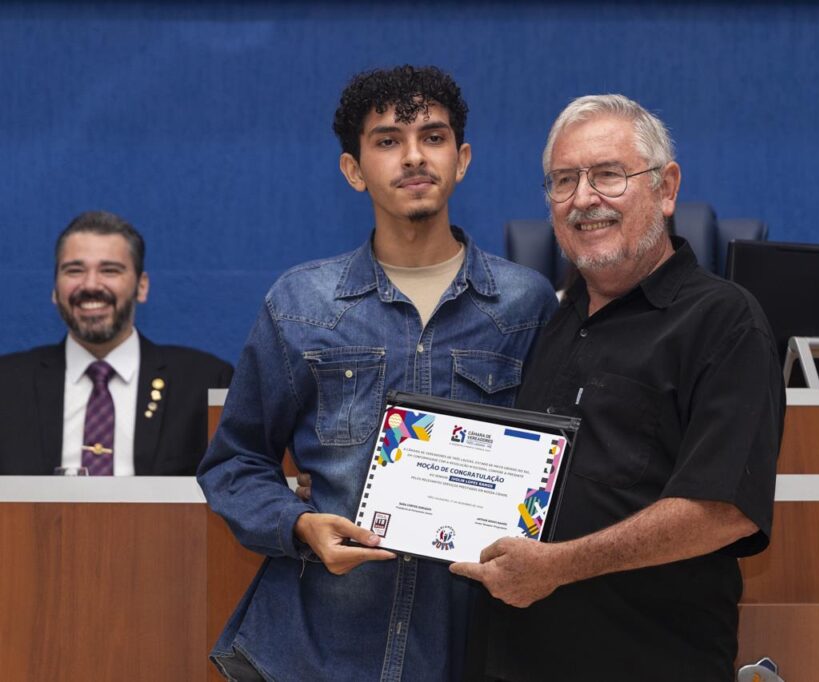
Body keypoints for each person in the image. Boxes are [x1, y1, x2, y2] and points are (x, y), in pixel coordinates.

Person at [197, 65, 557, 681]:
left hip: (466, 647)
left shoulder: (527, 304)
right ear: (354, 169)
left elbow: (561, 463)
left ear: (462, 158)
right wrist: (301, 524)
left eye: (434, 137)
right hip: (320, 650)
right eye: (388, 140)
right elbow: (234, 464)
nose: (414, 156)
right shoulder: (300, 303)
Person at [451, 95, 786, 681]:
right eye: (564, 180)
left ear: (665, 188)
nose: (584, 198)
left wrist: (557, 566)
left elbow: (723, 509)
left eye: (608, 175)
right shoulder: (548, 323)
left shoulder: (724, 321)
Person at [0, 211, 233, 476]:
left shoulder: (205, 383)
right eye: (74, 270)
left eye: (110, 270)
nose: (90, 285)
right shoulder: (6, 385)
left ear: (141, 287)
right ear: (55, 289)